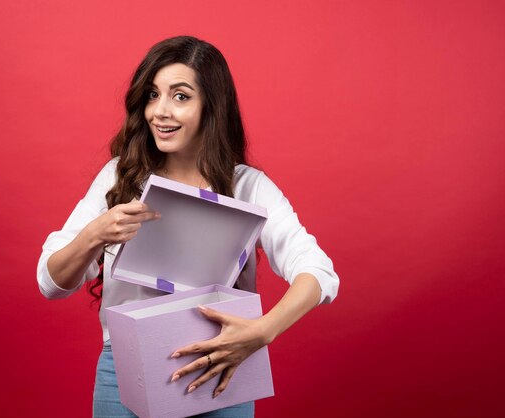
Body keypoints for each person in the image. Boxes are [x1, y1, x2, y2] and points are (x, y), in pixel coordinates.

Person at [37, 35, 339, 418]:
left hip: (220, 368)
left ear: (211, 106)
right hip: (125, 369)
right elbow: (50, 283)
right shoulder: (119, 177)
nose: (160, 111)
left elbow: (318, 271)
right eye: (152, 94)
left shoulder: (248, 186)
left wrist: (262, 332)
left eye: (180, 96)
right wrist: (95, 233)